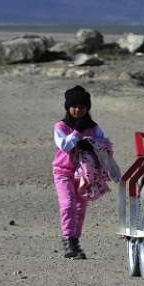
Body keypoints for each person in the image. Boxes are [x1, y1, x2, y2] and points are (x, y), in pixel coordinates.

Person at [52, 86, 108, 259]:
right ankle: (68, 239)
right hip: (63, 171)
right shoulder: (60, 126)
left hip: (85, 173)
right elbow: (65, 145)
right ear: (68, 108)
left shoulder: (94, 128)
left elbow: (104, 146)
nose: (78, 110)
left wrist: (90, 143)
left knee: (80, 208)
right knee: (68, 204)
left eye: (82, 106)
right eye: (74, 106)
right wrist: (77, 133)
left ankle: (75, 243)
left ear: (87, 108)